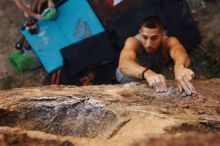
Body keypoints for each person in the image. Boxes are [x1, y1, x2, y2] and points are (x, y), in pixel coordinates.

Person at [116, 16, 197, 96]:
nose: (148, 44)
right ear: (140, 33)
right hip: (128, 76)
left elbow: (180, 52)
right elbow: (124, 64)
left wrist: (180, 67)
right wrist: (147, 73)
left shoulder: (168, 41)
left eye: (154, 38)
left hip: (154, 75)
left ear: (162, 34)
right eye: (144, 37)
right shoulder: (133, 42)